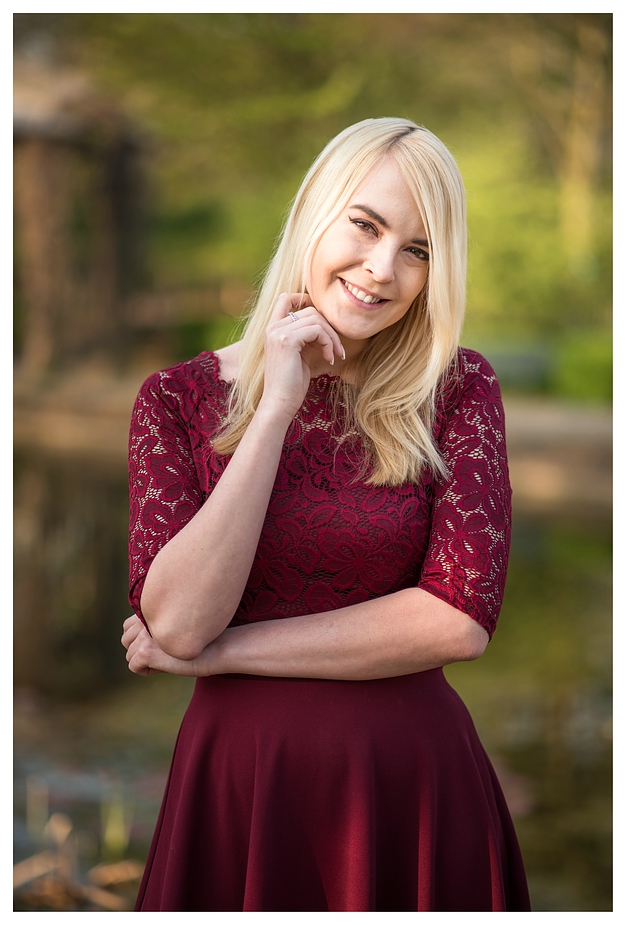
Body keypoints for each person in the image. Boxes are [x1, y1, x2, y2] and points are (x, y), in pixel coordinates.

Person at [121, 117, 531, 912]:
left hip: (410, 785)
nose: (382, 270)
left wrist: (221, 655)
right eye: (367, 225)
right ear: (315, 203)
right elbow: (174, 622)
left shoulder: (458, 391)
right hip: (240, 782)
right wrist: (276, 405)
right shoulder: (174, 401)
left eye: (419, 251)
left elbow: (458, 621)